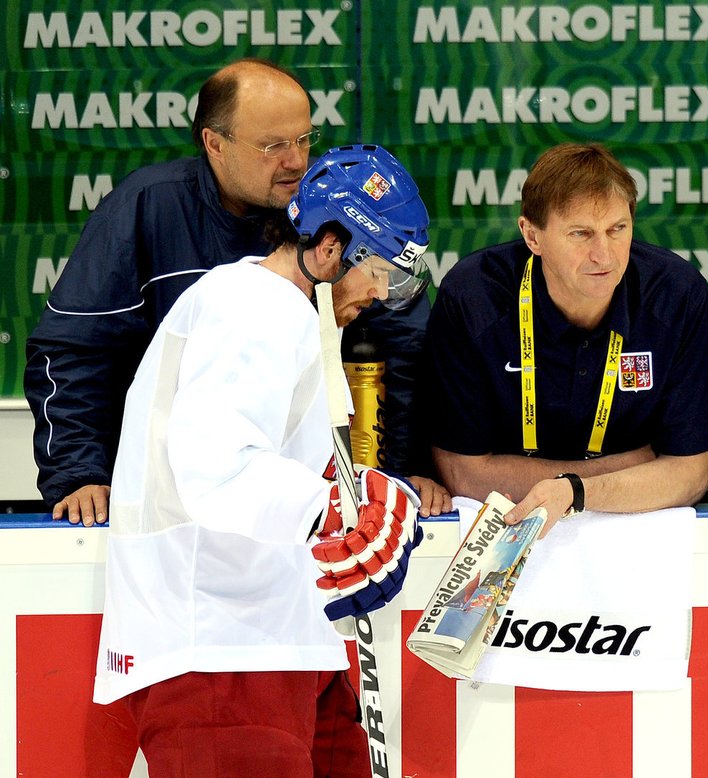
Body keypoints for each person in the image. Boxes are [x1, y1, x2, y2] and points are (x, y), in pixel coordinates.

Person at [92, 144, 430, 778]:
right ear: (331, 245)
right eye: (384, 270)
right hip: (220, 655)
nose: (383, 295)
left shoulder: (281, 314)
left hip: (265, 646)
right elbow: (213, 464)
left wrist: (343, 501)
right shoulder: (253, 309)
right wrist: (334, 508)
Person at [23, 58, 449, 527]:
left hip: (306, 505)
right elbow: (71, 352)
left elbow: (405, 349)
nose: (296, 161)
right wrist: (80, 472)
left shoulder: (337, 205)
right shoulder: (148, 208)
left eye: (305, 139)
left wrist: (407, 470)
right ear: (214, 143)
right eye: (273, 145)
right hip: (166, 505)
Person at [421, 142, 708, 533]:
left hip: (631, 537)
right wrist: (627, 468)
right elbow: (463, 473)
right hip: (502, 530)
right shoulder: (473, 296)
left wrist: (575, 492)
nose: (605, 255)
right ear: (532, 236)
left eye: (617, 229)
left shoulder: (676, 294)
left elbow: (691, 474)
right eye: (581, 234)